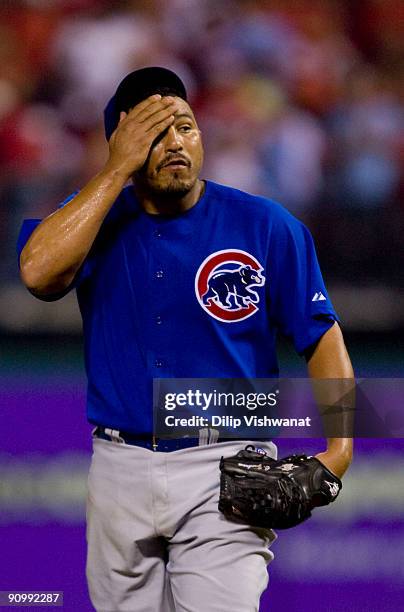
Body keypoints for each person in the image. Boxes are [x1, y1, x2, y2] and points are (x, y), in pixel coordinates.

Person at [18, 67, 353, 612]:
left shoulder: (265, 225)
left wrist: (339, 452)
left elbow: (322, 339)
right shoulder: (89, 224)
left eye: (187, 126)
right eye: (155, 131)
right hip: (118, 464)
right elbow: (38, 275)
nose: (176, 142)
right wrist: (114, 170)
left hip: (227, 464)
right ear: (123, 141)